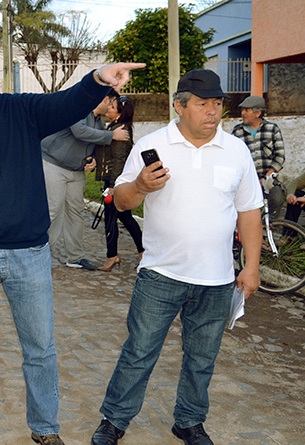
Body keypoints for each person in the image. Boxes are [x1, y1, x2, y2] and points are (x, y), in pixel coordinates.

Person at [0, 38, 143, 445]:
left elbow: (67, 103)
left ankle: (45, 429)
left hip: (29, 254)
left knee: (40, 348)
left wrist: (98, 78)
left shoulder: (24, 110)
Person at [90, 69, 263, 445]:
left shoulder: (236, 150)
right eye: (203, 104)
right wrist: (140, 185)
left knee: (202, 358)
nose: (212, 111)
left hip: (216, 279)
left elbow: (250, 210)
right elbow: (121, 201)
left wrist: (251, 266)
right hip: (161, 274)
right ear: (180, 106)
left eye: (217, 103)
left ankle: (189, 421)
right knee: (139, 352)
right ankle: (114, 420)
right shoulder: (153, 144)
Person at [41, 92, 130, 270]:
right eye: (112, 103)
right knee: (54, 210)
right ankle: (40, 256)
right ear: (105, 99)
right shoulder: (78, 109)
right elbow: (80, 132)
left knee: (76, 212)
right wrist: (111, 136)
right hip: (54, 164)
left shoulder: (99, 122)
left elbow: (93, 144)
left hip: (76, 171)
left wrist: (92, 159)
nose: (112, 108)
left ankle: (75, 257)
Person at [94, 92, 144, 272]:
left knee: (111, 219)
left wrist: (113, 186)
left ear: (120, 113)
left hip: (115, 181)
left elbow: (119, 160)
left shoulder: (121, 130)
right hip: (114, 180)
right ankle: (142, 251)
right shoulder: (115, 127)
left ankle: (112, 256)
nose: (108, 108)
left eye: (112, 107)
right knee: (125, 217)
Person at [231, 95, 286, 218]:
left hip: (268, 178)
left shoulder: (272, 129)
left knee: (277, 198)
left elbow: (280, 156)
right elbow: (232, 157)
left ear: (258, 113)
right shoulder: (237, 131)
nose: (243, 113)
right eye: (242, 110)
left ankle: (270, 225)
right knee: (244, 205)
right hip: (246, 179)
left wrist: (267, 177)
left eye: (247, 110)